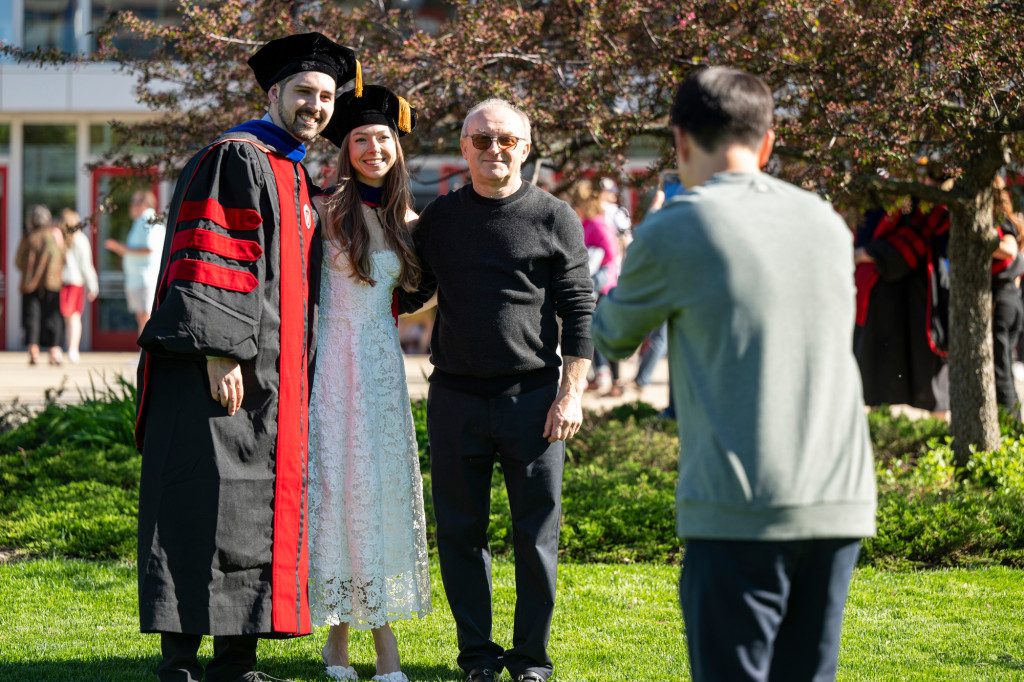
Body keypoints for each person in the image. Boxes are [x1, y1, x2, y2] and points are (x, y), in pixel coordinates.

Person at [591, 67, 877, 682]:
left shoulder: (678, 226)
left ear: (681, 141)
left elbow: (612, 333)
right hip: (840, 498)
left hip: (739, 501)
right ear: (768, 142)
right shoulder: (826, 221)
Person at [133, 32, 359, 682]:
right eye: (305, 93)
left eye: (325, 97)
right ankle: (179, 663)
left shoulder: (292, 171)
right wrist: (218, 349)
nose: (316, 106)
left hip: (270, 383)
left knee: (246, 514)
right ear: (274, 94)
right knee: (195, 508)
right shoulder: (240, 155)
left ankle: (237, 662)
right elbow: (215, 254)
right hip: (221, 370)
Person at [398, 98, 594, 682]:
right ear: (463, 149)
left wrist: (571, 392)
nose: (494, 150)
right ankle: (477, 658)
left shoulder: (555, 216)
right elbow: (410, 293)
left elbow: (579, 308)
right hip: (454, 396)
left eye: (506, 139)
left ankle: (530, 659)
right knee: (460, 533)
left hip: (532, 398)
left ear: (525, 147)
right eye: (481, 140)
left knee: (536, 536)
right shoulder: (440, 218)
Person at [308, 85, 431, 682]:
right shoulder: (325, 209)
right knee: (335, 490)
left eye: (383, 138)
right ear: (346, 149)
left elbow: (421, 293)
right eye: (361, 139)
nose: (374, 147)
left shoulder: (413, 221)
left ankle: (368, 644)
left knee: (377, 494)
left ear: (397, 147)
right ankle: (341, 640)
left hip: (381, 369)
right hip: (330, 367)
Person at [570, 179, 621, 396]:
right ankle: (599, 376)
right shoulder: (586, 223)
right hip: (591, 284)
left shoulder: (599, 223)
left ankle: (616, 381)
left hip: (604, 286)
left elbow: (612, 253)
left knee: (606, 333)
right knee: (592, 331)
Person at [105, 190, 166, 337]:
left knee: (146, 317)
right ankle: (143, 355)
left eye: (134, 202)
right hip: (137, 279)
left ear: (143, 204)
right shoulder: (140, 221)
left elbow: (149, 248)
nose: (131, 206)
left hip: (146, 278)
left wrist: (122, 248)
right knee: (142, 317)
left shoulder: (149, 219)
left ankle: (147, 356)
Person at [990, 174, 1024, 417]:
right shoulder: (1009, 220)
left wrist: (979, 239)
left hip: (1003, 301)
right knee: (1005, 370)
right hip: (1011, 300)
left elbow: (1009, 249)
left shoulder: (1001, 222)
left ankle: (1012, 427)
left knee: (1001, 371)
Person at [15, 204, 65, 366]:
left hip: (30, 283)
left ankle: (33, 352)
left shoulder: (28, 237)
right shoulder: (54, 237)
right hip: (52, 282)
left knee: (32, 316)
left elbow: (18, 261)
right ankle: (54, 352)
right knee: (53, 316)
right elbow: (62, 258)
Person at [58, 208, 99, 363]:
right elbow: (86, 266)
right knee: (74, 318)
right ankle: (72, 349)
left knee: (64, 318)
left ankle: (64, 348)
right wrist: (93, 285)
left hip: (62, 282)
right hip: (75, 283)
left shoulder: (59, 238)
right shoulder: (80, 239)